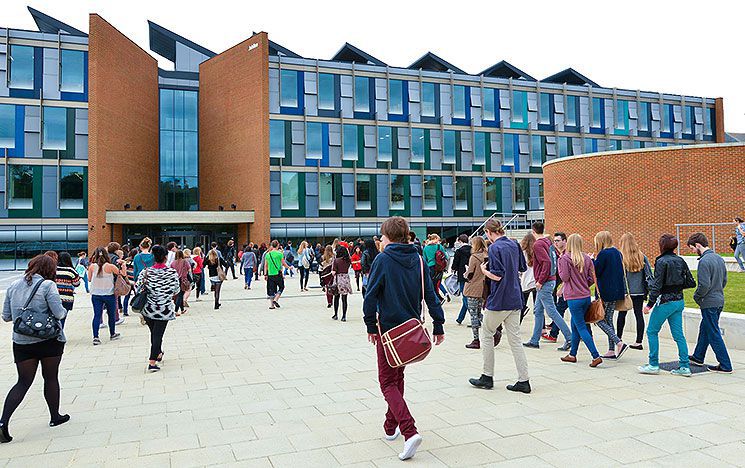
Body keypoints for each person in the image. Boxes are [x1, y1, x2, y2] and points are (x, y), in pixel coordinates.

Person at [363, 216, 445, 461]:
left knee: (387, 382)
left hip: (388, 330)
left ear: (387, 238)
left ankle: (409, 431)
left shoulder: (384, 259)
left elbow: (370, 295)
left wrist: (369, 324)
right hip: (411, 330)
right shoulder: (418, 259)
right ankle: (391, 426)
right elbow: (430, 294)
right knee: (397, 376)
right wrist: (438, 324)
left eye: (382, 237)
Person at [1, 255, 70, 443]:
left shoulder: (14, 285)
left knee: (22, 382)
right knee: (50, 377)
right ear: (50, 269)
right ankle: (55, 417)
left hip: (22, 343)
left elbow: (6, 316)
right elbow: (59, 312)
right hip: (49, 340)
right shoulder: (48, 286)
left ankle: (3, 422)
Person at [469, 219, 531, 394]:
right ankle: (523, 379)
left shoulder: (495, 248)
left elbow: (497, 276)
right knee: (515, 340)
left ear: (489, 232)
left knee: (487, 334)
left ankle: (487, 376)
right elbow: (522, 268)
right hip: (515, 297)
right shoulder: (514, 244)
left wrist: (484, 271)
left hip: (499, 299)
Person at [639, 234, 694, 377]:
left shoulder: (661, 261)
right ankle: (684, 366)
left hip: (665, 302)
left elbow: (657, 286)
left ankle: (653, 364)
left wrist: (649, 305)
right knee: (679, 335)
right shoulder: (680, 260)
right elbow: (690, 281)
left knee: (652, 331)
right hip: (679, 301)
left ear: (662, 245)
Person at [687, 233, 732, 373]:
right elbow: (724, 280)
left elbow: (704, 285)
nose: (693, 252)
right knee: (705, 328)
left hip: (709, 302)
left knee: (713, 332)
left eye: (692, 248)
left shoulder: (704, 261)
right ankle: (698, 357)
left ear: (698, 245)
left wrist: (697, 297)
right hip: (719, 300)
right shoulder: (719, 258)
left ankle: (725, 365)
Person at [525, 222, 572, 350]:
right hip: (549, 280)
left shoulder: (538, 244)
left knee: (552, 311)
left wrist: (540, 281)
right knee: (538, 310)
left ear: (533, 232)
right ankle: (535, 340)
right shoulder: (548, 242)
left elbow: (546, 262)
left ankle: (570, 338)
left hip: (545, 282)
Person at [558, 234, 603, 367]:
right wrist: (582, 285)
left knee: (581, 327)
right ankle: (572, 354)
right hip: (585, 296)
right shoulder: (586, 258)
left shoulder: (565, 258)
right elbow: (590, 278)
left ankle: (596, 356)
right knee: (575, 325)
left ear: (569, 244)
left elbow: (564, 278)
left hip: (573, 297)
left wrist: (560, 267)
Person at [134, 245, 180, 373]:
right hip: (164, 308)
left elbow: (138, 288)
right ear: (166, 258)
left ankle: (158, 352)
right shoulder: (171, 272)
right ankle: (152, 361)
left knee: (154, 333)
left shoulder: (146, 272)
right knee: (158, 334)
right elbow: (176, 290)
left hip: (149, 308)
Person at [593, 231, 629, 360]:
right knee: (609, 319)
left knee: (599, 319)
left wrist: (592, 260)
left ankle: (619, 343)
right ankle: (611, 350)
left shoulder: (603, 254)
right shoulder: (617, 252)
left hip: (605, 292)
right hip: (616, 291)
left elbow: (596, 271)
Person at [617, 233, 652, 350]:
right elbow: (649, 275)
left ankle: (618, 339)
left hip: (625, 292)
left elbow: (619, 276)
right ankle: (639, 341)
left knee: (622, 315)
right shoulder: (642, 256)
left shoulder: (620, 257)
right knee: (639, 315)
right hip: (640, 291)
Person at [88, 247, 126, 345]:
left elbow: (89, 279)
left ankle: (95, 337)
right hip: (109, 294)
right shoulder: (110, 266)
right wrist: (124, 264)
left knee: (97, 315)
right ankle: (112, 333)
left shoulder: (92, 266)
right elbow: (123, 274)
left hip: (96, 294)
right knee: (111, 314)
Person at [463, 236, 489, 349]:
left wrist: (465, 273)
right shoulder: (487, 256)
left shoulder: (474, 257)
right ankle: (493, 329)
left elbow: (470, 273)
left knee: (473, 314)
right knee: (479, 313)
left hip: (473, 287)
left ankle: (476, 339)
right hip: (483, 288)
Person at [547, 232, 571, 351]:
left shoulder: (566, 256)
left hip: (569, 290)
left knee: (559, 310)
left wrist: (561, 288)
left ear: (565, 241)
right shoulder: (559, 254)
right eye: (554, 241)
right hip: (567, 288)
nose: (555, 243)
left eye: (558, 240)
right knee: (577, 315)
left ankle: (554, 334)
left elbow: (567, 276)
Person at [54, 252, 80, 329]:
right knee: (62, 318)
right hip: (66, 298)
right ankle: (60, 334)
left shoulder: (53, 269)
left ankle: (53, 333)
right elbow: (76, 283)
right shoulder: (71, 270)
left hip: (54, 297)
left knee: (54, 317)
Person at [452, 234, 472, 325]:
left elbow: (455, 265)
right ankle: (460, 318)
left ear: (460, 241)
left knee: (465, 297)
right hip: (471, 275)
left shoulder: (459, 251)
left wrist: (453, 269)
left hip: (462, 275)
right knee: (466, 297)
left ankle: (476, 316)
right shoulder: (472, 250)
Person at [422, 234, 448, 303]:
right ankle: (439, 298)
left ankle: (437, 299)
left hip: (430, 268)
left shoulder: (425, 248)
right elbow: (446, 257)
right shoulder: (439, 246)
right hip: (439, 268)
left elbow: (424, 260)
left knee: (431, 285)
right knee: (437, 284)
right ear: (435, 238)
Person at [265, 240, 289, 309]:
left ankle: (272, 305)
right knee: (281, 287)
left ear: (272, 245)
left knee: (271, 289)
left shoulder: (268, 254)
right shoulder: (279, 254)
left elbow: (266, 265)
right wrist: (289, 267)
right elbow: (283, 263)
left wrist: (265, 274)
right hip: (278, 274)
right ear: (278, 245)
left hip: (270, 274)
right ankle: (276, 299)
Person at [518, 233, 536, 325]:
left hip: (525, 282)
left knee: (522, 305)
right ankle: (542, 328)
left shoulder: (522, 253)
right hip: (536, 282)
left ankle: (518, 324)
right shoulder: (537, 253)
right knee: (538, 307)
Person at [331, 245, 353, 321]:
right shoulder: (348, 260)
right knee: (344, 299)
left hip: (338, 280)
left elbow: (333, 272)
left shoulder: (336, 260)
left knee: (336, 298)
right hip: (346, 279)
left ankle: (336, 314)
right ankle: (344, 316)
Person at [171, 250, 191, 316]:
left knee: (179, 295)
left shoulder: (173, 262)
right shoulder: (185, 261)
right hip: (183, 280)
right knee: (180, 295)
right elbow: (189, 268)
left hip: (175, 280)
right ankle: (176, 310)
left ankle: (182, 309)